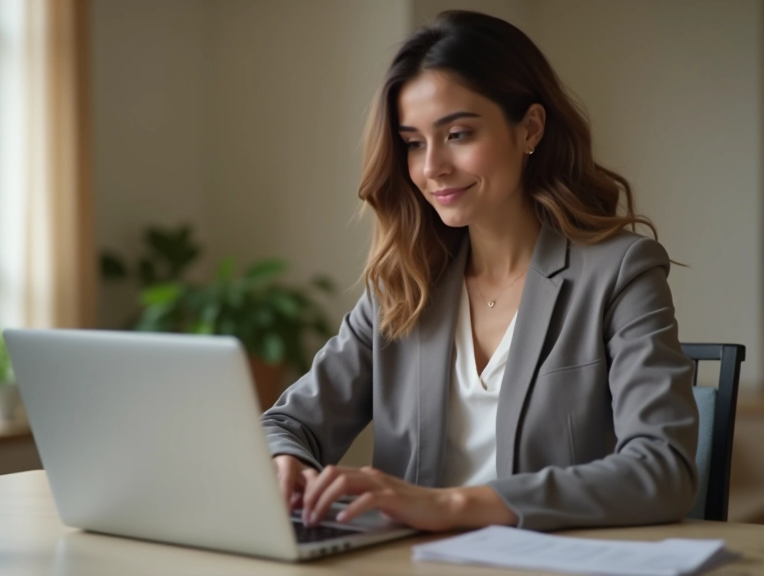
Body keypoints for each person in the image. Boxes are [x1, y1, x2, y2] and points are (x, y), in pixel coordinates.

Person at [261, 10, 698, 533]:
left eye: (459, 134)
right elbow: (287, 423)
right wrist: (285, 461)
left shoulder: (620, 272)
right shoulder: (404, 284)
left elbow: (663, 470)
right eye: (414, 142)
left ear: (530, 127)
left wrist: (450, 506)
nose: (432, 168)